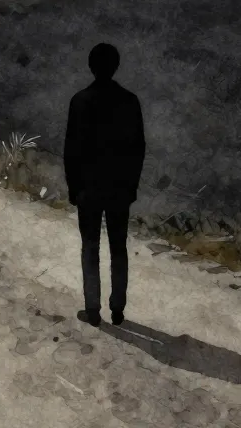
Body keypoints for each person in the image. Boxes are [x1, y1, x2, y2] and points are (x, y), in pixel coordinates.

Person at [64, 42, 146, 328]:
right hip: (119, 188)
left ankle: (92, 309)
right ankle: (118, 309)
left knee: (90, 247)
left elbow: (71, 150)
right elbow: (138, 149)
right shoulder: (130, 101)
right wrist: (132, 185)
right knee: (118, 247)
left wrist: (73, 187)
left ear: (91, 66)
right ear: (116, 66)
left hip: (88, 188)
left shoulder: (80, 101)